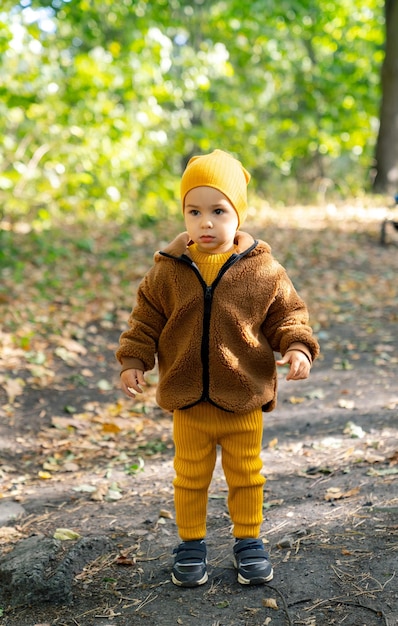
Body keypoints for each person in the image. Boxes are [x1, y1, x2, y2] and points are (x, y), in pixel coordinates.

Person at [116, 149, 320, 588]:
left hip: (241, 397)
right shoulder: (168, 271)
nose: (205, 222)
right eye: (194, 211)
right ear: (184, 214)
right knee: (189, 476)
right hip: (188, 398)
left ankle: (249, 541)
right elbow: (146, 318)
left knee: (246, 474)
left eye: (218, 210)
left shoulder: (263, 270)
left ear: (237, 214)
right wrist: (135, 359)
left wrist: (298, 346)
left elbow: (287, 315)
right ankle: (191, 544)